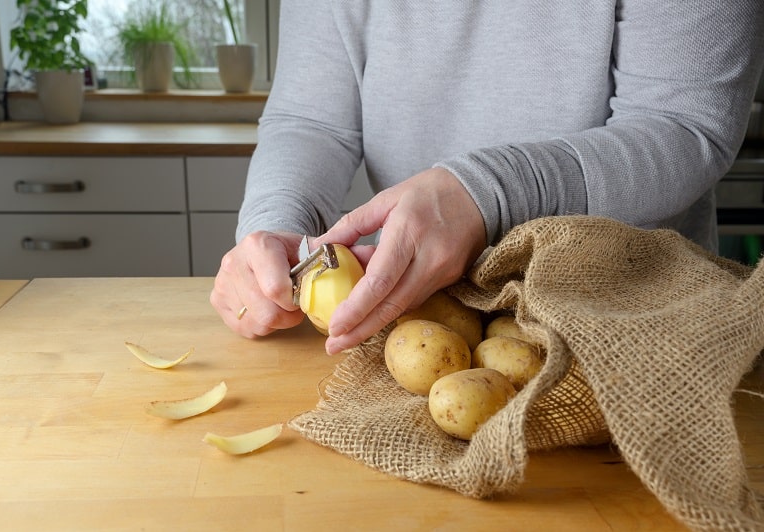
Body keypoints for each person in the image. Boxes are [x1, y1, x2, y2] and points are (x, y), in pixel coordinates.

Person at [211, 1, 764, 355]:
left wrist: (481, 192)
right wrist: (278, 223)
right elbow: (312, 123)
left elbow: (685, 126)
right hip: (422, 323)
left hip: (637, 322)